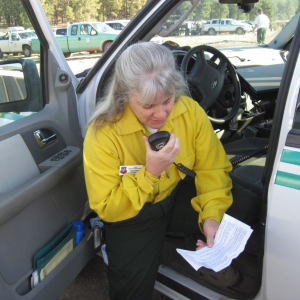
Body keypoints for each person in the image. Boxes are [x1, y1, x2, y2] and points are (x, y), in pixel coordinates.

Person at [83, 42, 259, 300]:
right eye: (147, 105)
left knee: (249, 205)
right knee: (130, 292)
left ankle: (198, 248)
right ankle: (120, 255)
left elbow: (212, 168)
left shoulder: (189, 112)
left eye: (167, 100)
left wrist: (211, 216)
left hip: (175, 195)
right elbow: (107, 207)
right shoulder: (103, 133)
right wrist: (149, 173)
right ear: (123, 93)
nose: (160, 114)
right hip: (132, 214)